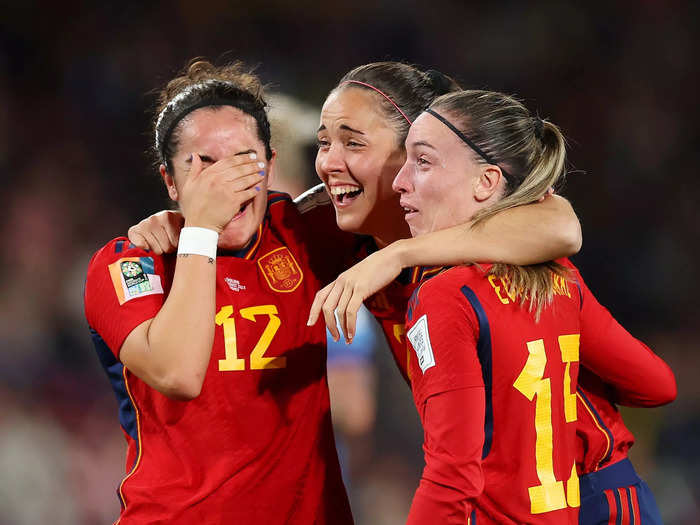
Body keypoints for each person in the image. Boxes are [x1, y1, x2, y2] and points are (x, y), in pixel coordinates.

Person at [317, 89, 676, 523]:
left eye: (421, 161)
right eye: (323, 142)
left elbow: (453, 476)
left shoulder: (440, 292)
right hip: (614, 499)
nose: (400, 181)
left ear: (486, 181)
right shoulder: (556, 274)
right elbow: (656, 385)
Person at [84, 60, 353, 524]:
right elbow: (179, 373)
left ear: (270, 166)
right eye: (203, 163)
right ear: (170, 181)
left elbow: (412, 198)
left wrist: (393, 258)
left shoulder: (303, 233)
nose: (224, 181)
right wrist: (200, 231)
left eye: (243, 159)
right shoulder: (129, 263)